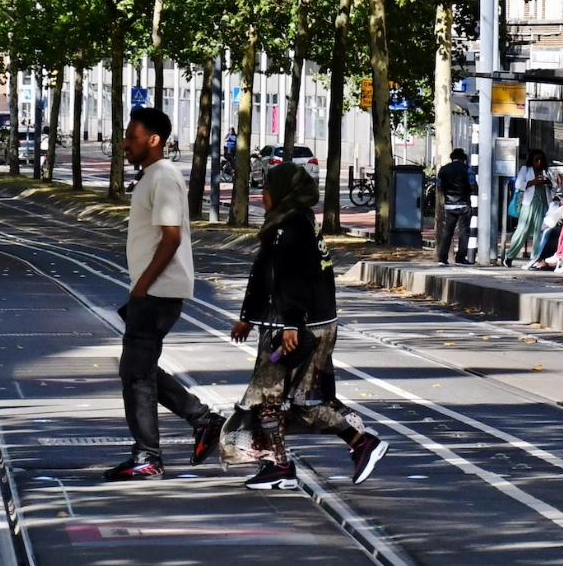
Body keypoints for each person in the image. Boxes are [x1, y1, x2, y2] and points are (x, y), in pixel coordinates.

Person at [220, 163, 388, 489]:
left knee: (278, 396)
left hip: (295, 334)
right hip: (300, 328)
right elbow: (268, 273)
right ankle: (280, 464)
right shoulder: (296, 223)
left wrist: (292, 325)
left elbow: (290, 280)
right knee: (279, 398)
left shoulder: (292, 226)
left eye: (267, 188)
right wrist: (248, 316)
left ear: (284, 192)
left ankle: (356, 442)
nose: (262, 194)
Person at [106, 107, 223, 481]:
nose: (125, 142)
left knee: (135, 373)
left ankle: (148, 456)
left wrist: (142, 285)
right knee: (136, 368)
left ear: (153, 140)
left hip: (157, 290)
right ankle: (202, 420)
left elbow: (171, 238)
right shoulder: (152, 176)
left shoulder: (165, 177)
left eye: (132, 136)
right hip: (153, 289)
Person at [504, 149, 552, 265]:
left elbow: (553, 185)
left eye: (541, 160)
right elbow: (518, 185)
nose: (539, 162)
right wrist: (533, 182)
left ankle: (536, 257)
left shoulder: (546, 171)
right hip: (529, 203)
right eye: (536, 160)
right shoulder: (526, 170)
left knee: (540, 231)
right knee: (522, 230)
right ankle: (509, 256)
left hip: (542, 202)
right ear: (532, 160)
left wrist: (549, 182)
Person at [436, 148, 476, 265]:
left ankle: (442, 258)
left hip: (449, 205)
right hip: (463, 204)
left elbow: (439, 187)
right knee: (464, 231)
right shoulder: (467, 170)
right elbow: (473, 186)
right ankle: (460, 258)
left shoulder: (443, 170)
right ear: (463, 158)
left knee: (448, 231)